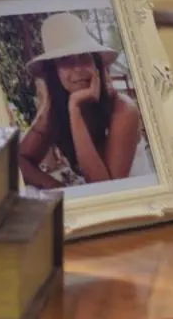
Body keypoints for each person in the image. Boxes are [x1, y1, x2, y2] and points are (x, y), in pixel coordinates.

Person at [18, 12, 150, 189]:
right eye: (65, 61)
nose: (78, 68)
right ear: (54, 72)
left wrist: (75, 109)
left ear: (96, 65)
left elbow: (106, 189)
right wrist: (57, 189)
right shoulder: (54, 110)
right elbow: (17, 160)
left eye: (84, 57)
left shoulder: (124, 110)